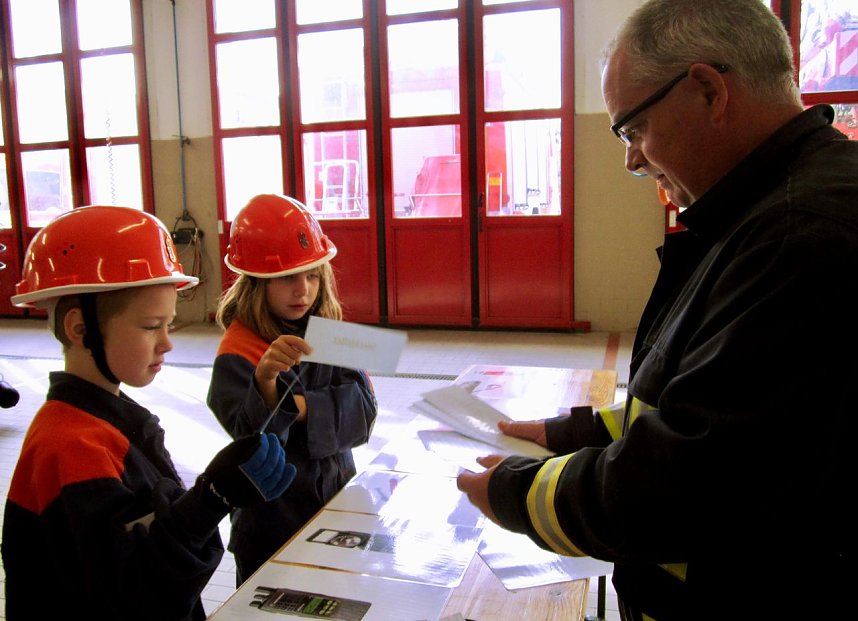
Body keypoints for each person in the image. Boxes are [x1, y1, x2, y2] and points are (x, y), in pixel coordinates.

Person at [457, 1, 856, 619]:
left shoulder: (799, 234)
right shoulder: (766, 213)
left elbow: (682, 487)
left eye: (633, 129)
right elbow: (709, 394)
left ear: (706, 90)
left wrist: (513, 492)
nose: (631, 160)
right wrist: (570, 433)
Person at [1, 206, 297, 621]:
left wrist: (207, 500)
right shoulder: (72, 448)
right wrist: (210, 501)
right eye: (150, 326)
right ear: (80, 329)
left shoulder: (104, 423)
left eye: (168, 325)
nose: (167, 343)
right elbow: (134, 592)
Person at [207, 193, 378, 584]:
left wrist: (296, 407)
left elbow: (364, 413)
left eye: (312, 275)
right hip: (271, 528)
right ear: (255, 282)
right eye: (287, 277)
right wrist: (266, 384)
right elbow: (252, 444)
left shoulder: (331, 332)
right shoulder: (240, 350)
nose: (303, 290)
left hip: (336, 507)